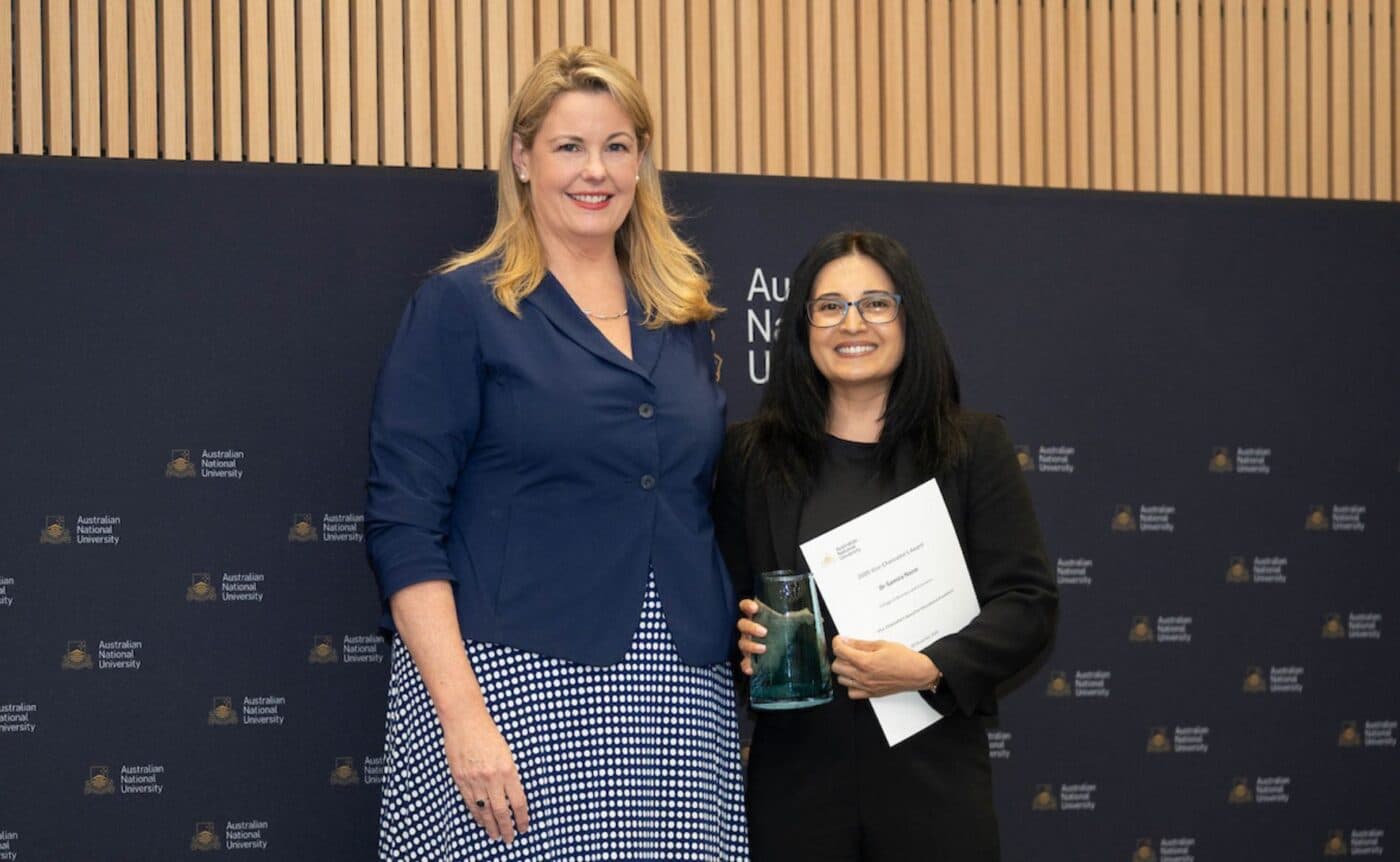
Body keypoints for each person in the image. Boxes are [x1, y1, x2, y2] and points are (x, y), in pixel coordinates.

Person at [366, 46, 748, 861]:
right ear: (522, 157)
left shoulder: (682, 317)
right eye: (568, 146)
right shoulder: (462, 305)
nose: (595, 171)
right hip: (512, 691)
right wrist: (461, 718)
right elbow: (404, 525)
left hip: (679, 694)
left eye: (616, 146)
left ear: (641, 161)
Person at [713, 231, 1057, 861]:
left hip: (934, 777)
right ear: (802, 326)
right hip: (795, 781)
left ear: (909, 318)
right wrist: (741, 638)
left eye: (876, 303)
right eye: (830, 306)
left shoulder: (971, 445)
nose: (853, 324)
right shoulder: (750, 456)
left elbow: (1028, 604)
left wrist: (930, 667)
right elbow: (724, 603)